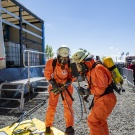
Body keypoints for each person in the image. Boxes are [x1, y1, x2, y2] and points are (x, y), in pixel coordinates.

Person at [72, 49, 117, 135]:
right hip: (102, 98)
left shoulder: (97, 69)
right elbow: (93, 85)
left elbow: (100, 89)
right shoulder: (91, 70)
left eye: (79, 65)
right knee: (100, 121)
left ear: (84, 62)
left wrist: (86, 92)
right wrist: (87, 94)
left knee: (93, 121)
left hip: (105, 98)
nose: (79, 67)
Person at [44, 45, 75, 135]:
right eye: (62, 58)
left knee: (68, 107)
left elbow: (73, 76)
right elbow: (47, 74)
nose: (64, 60)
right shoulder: (51, 62)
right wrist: (54, 84)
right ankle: (48, 126)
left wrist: (67, 85)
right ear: (58, 56)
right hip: (55, 87)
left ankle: (69, 127)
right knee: (51, 106)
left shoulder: (71, 63)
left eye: (65, 58)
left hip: (66, 87)